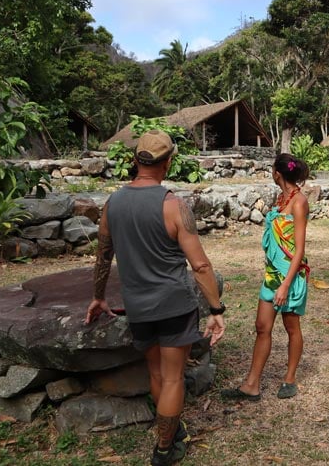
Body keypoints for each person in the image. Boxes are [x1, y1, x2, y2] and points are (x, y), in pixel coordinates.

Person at [85, 129, 226, 466]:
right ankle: (164, 449)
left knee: (157, 373)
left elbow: (103, 255)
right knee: (174, 375)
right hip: (174, 304)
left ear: (135, 160)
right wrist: (216, 309)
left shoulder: (112, 203)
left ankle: (171, 431)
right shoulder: (173, 205)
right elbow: (201, 265)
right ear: (169, 162)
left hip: (138, 305)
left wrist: (98, 296)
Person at [222, 153, 310, 401]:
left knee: (291, 327)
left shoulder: (299, 202)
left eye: (272, 170)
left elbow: (299, 249)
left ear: (278, 173)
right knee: (262, 327)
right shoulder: (281, 198)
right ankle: (251, 385)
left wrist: (285, 286)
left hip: (290, 277)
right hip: (272, 274)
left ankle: (290, 379)